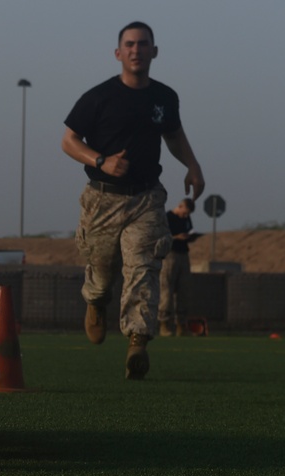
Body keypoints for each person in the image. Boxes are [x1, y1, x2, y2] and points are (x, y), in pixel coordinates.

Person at [61, 20, 205, 379]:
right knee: (102, 270)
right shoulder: (97, 97)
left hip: (146, 198)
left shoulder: (165, 97)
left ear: (154, 51)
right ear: (118, 53)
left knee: (143, 267)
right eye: (130, 44)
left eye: (143, 44)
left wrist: (192, 164)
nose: (136, 50)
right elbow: (68, 141)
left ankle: (137, 341)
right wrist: (100, 160)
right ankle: (95, 301)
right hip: (102, 200)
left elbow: (173, 133)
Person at [159, 198, 196, 336]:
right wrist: (176, 237)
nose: (186, 216)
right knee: (166, 290)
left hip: (183, 254)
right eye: (185, 212)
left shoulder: (187, 219)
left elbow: (189, 229)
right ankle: (164, 324)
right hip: (170, 254)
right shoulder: (167, 217)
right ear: (180, 206)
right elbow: (161, 235)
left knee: (184, 290)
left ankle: (181, 325)